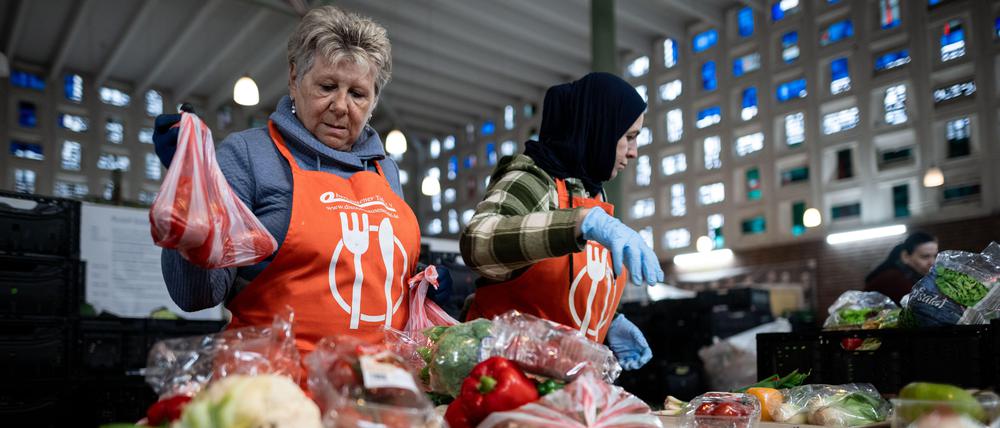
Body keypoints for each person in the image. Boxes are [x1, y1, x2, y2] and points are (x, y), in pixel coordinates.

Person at [152, 6, 424, 354]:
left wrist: (422, 287)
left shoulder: (387, 172)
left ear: (374, 101)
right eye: (327, 86)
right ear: (295, 79)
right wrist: (190, 190)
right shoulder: (248, 155)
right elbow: (197, 296)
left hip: (370, 389)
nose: (341, 106)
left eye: (358, 94)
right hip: (274, 385)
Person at [459, 73, 663, 371]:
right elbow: (478, 243)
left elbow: (567, 284)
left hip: (557, 378)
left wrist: (610, 320)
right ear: (598, 129)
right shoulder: (532, 179)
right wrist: (579, 221)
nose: (633, 152)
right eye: (629, 137)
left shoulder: (593, 192)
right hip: (500, 375)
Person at [865, 232, 938, 304]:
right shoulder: (893, 278)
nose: (932, 262)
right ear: (905, 256)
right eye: (925, 257)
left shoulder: (913, 276)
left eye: (935, 256)